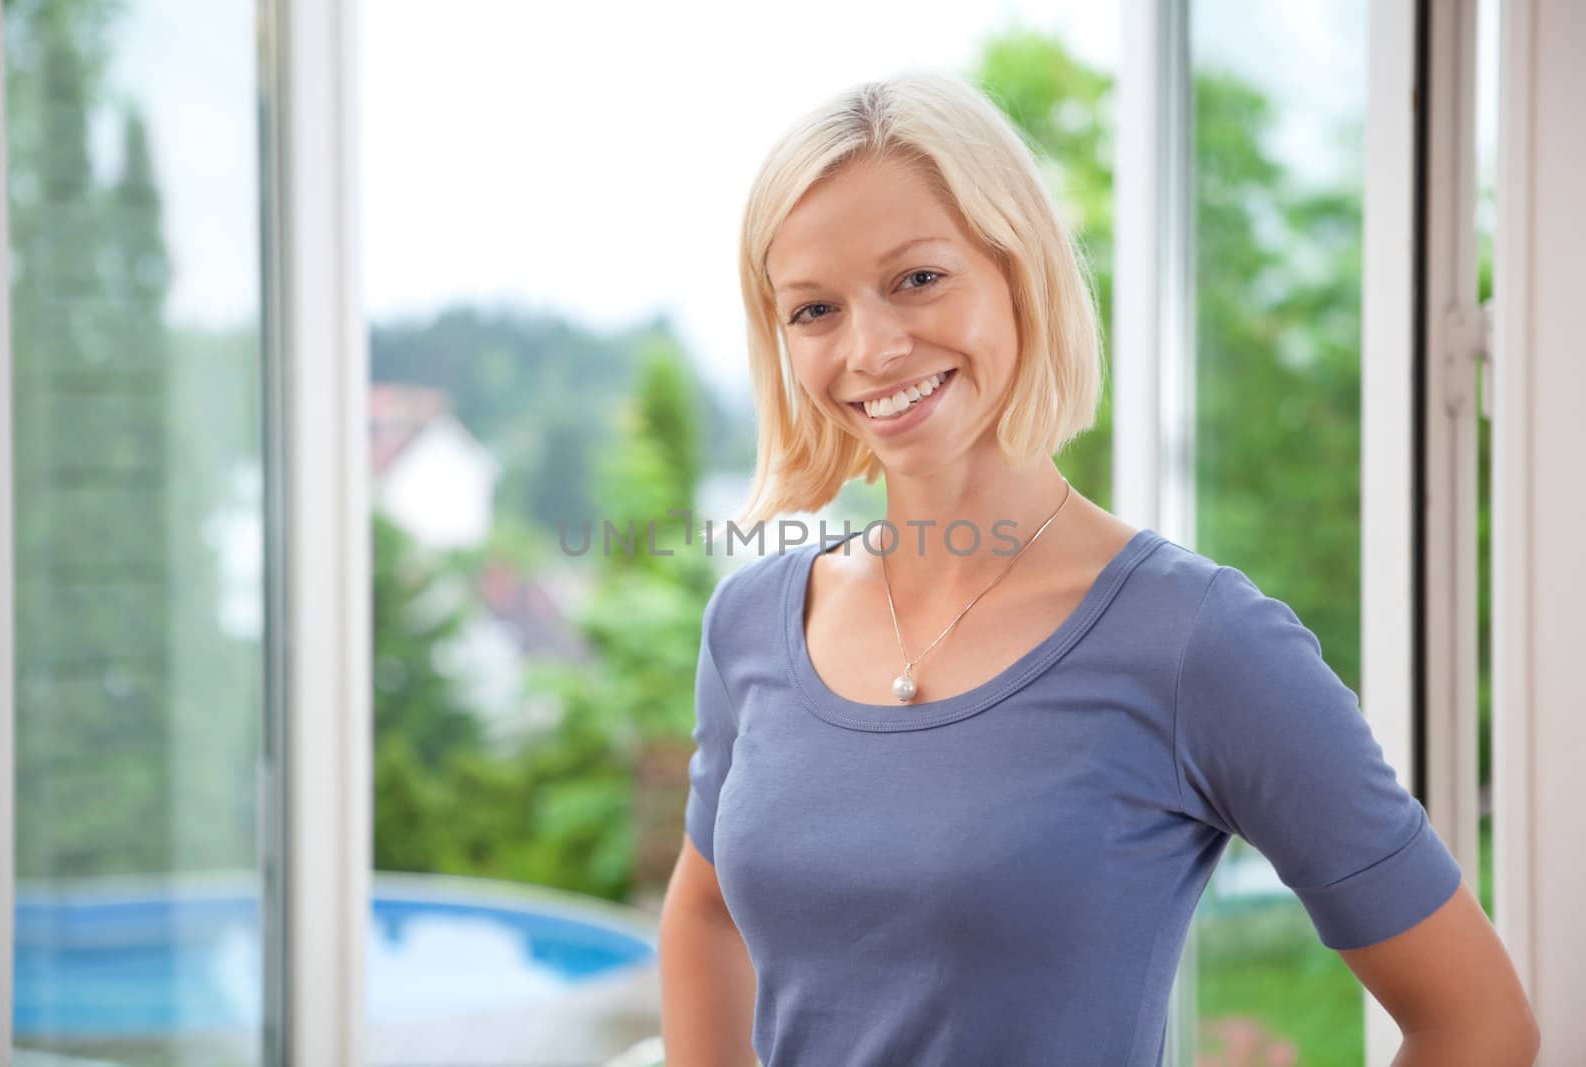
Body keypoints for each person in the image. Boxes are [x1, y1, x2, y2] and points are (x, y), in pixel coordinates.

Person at [656, 68, 1539, 1066]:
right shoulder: (754, 621)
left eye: (917, 278)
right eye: (814, 309)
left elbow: (1478, 1024)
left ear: (1019, 272)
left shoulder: (1195, 638)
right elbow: (707, 914)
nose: (872, 346)